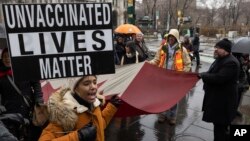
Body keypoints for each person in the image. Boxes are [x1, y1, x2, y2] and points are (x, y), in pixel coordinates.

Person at [39, 75, 121, 141]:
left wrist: (112, 107)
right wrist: (78, 136)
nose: (93, 87)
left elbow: (99, 127)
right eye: (86, 83)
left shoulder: (94, 104)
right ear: (75, 88)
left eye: (94, 82)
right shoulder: (64, 112)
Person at [198, 38, 240, 141]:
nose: (215, 49)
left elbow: (219, 78)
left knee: (220, 129)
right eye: (215, 47)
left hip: (224, 103)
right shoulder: (220, 59)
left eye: (218, 48)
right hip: (218, 100)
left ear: (226, 50)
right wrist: (202, 75)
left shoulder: (231, 63)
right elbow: (211, 72)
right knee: (218, 127)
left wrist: (202, 75)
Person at [148, 29, 191, 125]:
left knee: (173, 99)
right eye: (169, 37)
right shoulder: (162, 48)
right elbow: (156, 60)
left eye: (173, 37)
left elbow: (188, 64)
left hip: (175, 79)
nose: (170, 39)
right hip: (163, 77)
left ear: (176, 38)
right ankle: (162, 114)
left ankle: (172, 116)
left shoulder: (182, 50)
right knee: (162, 96)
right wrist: (148, 63)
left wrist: (182, 74)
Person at [0, 48, 44, 141]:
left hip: (28, 110)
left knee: (31, 135)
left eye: (9, 56)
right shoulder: (1, 74)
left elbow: (36, 84)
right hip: (10, 112)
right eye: (4, 57)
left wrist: (39, 99)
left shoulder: (25, 68)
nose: (7, 59)